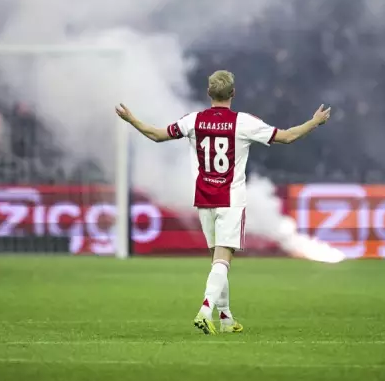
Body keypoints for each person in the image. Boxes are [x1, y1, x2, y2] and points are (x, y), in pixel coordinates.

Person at [115, 70, 331, 335]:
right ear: (233, 93)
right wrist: (314, 121)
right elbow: (287, 137)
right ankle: (205, 311)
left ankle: (226, 318)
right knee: (223, 259)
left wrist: (131, 119)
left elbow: (157, 135)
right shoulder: (244, 122)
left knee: (218, 259)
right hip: (230, 199)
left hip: (204, 199)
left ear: (209, 93)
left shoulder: (193, 120)